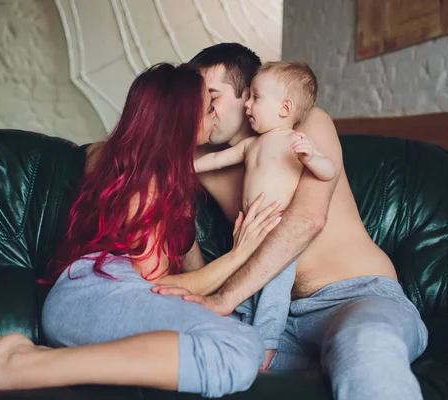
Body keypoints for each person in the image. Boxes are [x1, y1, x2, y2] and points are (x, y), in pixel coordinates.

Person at [0, 62, 284, 397]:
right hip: (93, 293)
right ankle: (22, 369)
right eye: (207, 106)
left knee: (243, 341)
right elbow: (160, 287)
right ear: (180, 119)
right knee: (238, 349)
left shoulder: (172, 182)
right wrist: (240, 254)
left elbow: (189, 279)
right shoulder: (147, 185)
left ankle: (26, 354)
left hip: (98, 300)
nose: (214, 114)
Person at [152, 43, 429, 400]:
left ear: (248, 94)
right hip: (270, 319)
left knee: (366, 345)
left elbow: (307, 221)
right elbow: (111, 158)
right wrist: (202, 295)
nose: (202, 110)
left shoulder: (305, 124)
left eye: (213, 97)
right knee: (176, 341)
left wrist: (224, 298)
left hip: (356, 297)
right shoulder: (203, 161)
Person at [193, 60, 335, 370]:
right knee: (247, 283)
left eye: (255, 97)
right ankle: (247, 329)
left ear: (285, 108)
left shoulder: (295, 140)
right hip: (250, 234)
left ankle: (268, 345)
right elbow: (215, 161)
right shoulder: (250, 145)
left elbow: (329, 171)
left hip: (278, 231)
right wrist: (181, 164)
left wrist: (312, 158)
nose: (248, 104)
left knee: (273, 290)